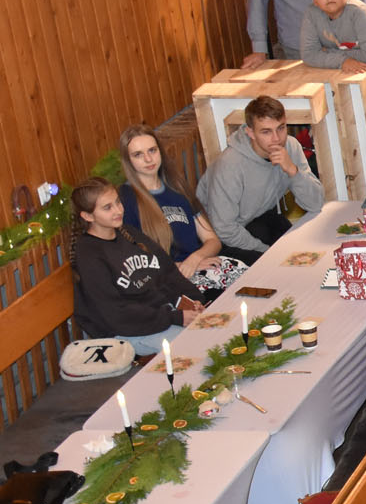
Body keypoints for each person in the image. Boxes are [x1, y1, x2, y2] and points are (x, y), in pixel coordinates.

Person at [69, 178, 200, 352]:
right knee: (195, 344)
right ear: (87, 216)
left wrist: (193, 300)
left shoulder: (129, 233)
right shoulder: (89, 255)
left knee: (214, 329)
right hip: (127, 332)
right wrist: (175, 317)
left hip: (160, 316)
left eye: (118, 202)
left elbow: (168, 272)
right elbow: (116, 314)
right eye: (107, 207)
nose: (118, 210)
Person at [198, 95, 325, 261]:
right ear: (250, 132)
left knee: (300, 248)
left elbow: (315, 203)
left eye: (281, 128)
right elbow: (224, 229)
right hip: (218, 238)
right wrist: (267, 253)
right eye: (266, 132)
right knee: (279, 260)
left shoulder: (291, 147)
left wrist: (293, 171)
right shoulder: (230, 164)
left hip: (258, 219)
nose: (276, 138)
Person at [118, 126, 239, 296]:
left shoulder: (177, 187)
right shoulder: (126, 199)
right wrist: (182, 266)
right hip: (169, 278)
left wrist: (195, 259)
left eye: (152, 150)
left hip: (200, 264)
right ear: (128, 160)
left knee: (253, 277)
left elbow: (212, 240)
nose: (148, 159)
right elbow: (133, 260)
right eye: (138, 154)